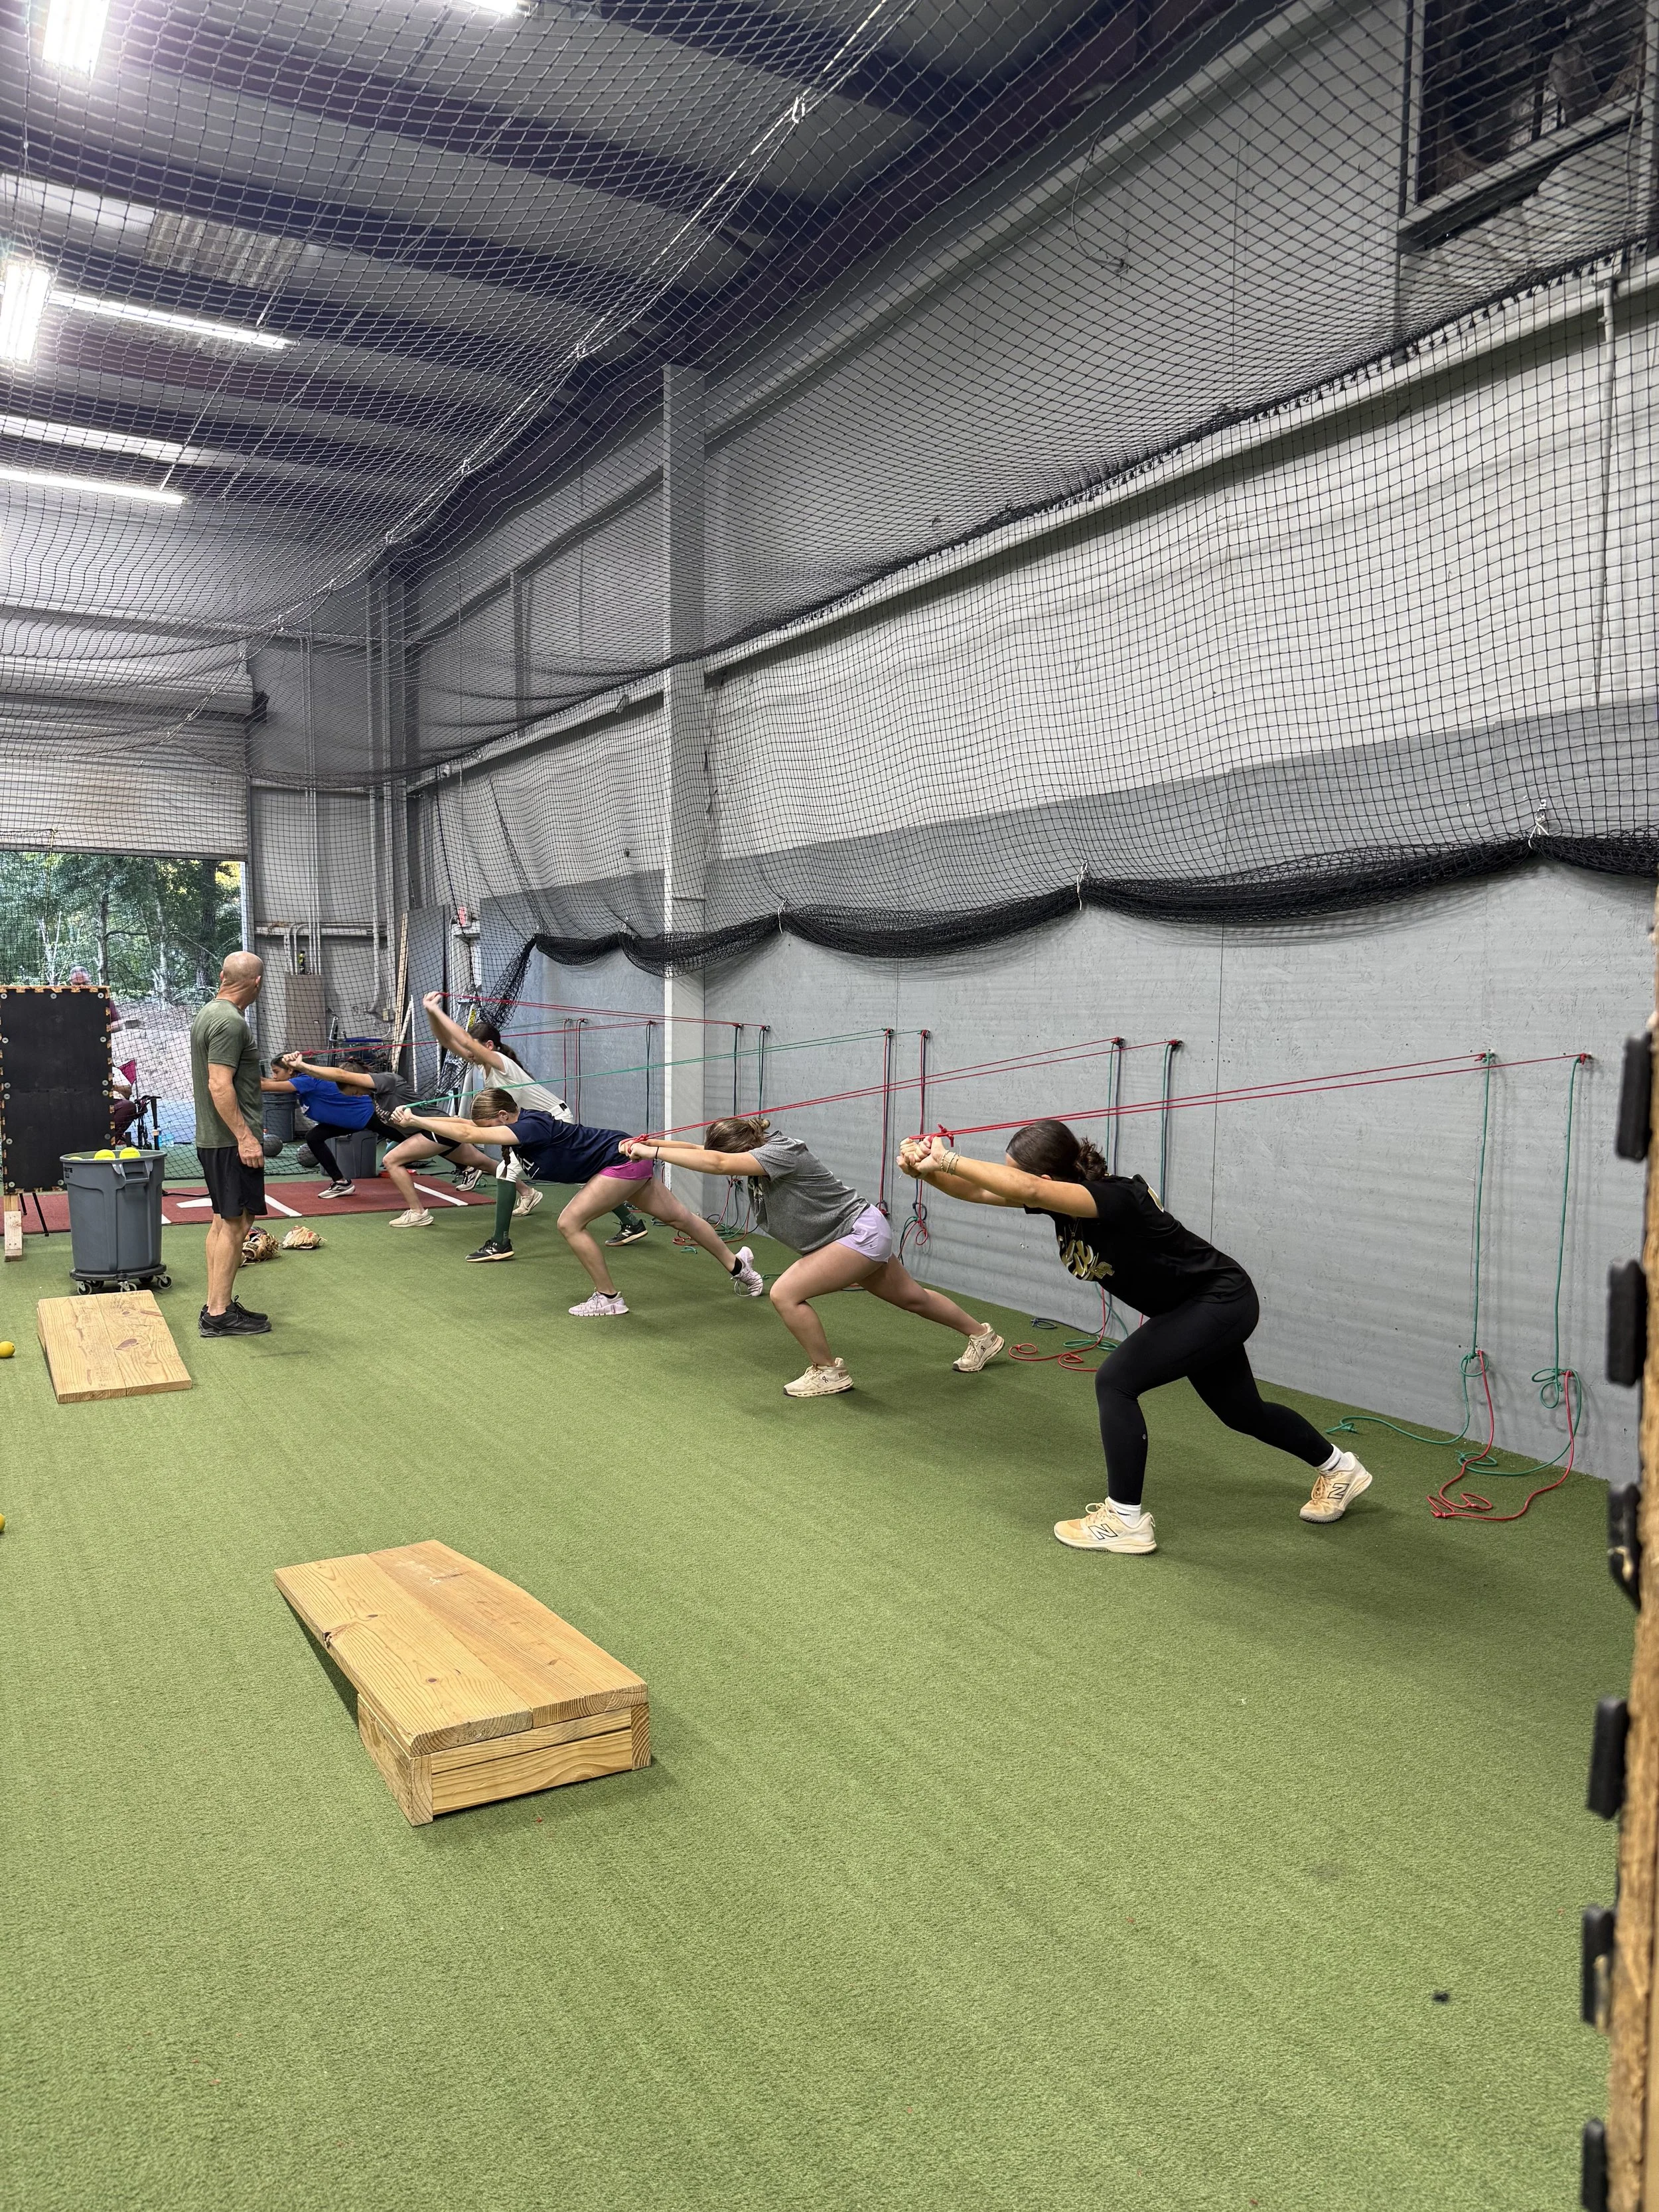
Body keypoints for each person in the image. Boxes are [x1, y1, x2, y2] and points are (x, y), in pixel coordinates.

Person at [899, 1120, 1372, 1552]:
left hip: (1220, 1299)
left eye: (1017, 1176)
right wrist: (926, 1172)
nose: (1009, 1184)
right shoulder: (1055, 1199)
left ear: (1047, 1181)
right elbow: (981, 1191)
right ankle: (1341, 1469)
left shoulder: (1114, 1198)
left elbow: (1011, 1183)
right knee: (1242, 1411)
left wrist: (949, 1157)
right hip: (1192, 1309)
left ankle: (1125, 1520)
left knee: (1116, 1381)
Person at [622, 1116, 1002, 1397]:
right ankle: (982, 1335)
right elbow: (706, 1155)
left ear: (744, 1151)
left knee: (785, 1293)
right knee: (912, 1298)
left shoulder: (782, 1152)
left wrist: (652, 1153)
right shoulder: (752, 1154)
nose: (726, 1169)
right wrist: (654, 1143)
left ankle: (828, 1372)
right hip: (852, 1235)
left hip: (858, 1234)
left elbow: (718, 1163)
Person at [390, 1089, 760, 1314]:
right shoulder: (516, 1127)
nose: (485, 1133)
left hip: (620, 1161)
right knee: (680, 1218)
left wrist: (414, 1118)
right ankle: (739, 1268)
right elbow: (462, 1123)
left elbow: (468, 1131)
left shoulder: (530, 1127)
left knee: (570, 1222)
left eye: (490, 1125)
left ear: (503, 1116)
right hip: (626, 1159)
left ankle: (609, 1298)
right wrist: (420, 1119)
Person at [385, 993, 648, 1247]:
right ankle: (630, 1223)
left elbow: (463, 1039)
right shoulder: (484, 1066)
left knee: (515, 1172)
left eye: (473, 1049)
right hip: (527, 1126)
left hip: (553, 1120)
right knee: (578, 1173)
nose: (468, 1054)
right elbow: (448, 1042)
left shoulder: (500, 1062)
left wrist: (437, 1010)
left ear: (488, 1046)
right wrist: (431, 1013)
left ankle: (500, 1242)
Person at [189, 951, 271, 1339]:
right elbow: (219, 1085)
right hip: (229, 1141)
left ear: (222, 977)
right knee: (237, 1225)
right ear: (257, 983)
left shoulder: (209, 1012)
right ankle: (219, 1314)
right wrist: (245, 1137)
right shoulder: (230, 1022)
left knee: (223, 1221)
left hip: (215, 1139)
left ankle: (214, 1304)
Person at [260, 1053, 386, 1197]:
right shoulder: (301, 1082)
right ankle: (341, 1183)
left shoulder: (305, 1080)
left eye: (276, 1072)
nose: (274, 1076)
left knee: (410, 1138)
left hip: (371, 1115)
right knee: (314, 1137)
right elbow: (267, 1082)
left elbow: (265, 1085)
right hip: (350, 1121)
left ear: (290, 1070)